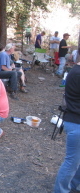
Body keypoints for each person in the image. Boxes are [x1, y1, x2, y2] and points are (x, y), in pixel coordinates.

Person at [53, 51, 80, 193]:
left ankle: (74, 185)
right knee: (72, 162)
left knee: (76, 161)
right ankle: (61, 190)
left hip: (75, 120)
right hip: (76, 123)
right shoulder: (77, 73)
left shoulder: (75, 71)